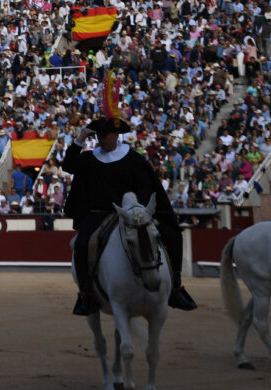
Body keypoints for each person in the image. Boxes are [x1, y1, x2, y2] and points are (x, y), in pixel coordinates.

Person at [63, 117, 197, 316]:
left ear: (116, 136)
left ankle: (175, 288)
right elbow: (68, 165)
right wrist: (82, 136)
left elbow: (145, 187)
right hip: (100, 214)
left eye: (105, 135)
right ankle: (86, 295)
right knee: (82, 244)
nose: (101, 140)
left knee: (174, 237)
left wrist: (137, 209)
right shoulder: (90, 158)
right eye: (98, 135)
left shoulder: (133, 158)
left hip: (133, 212)